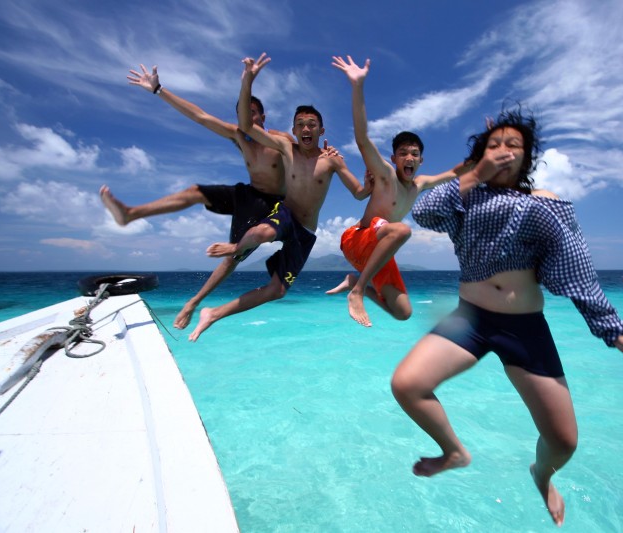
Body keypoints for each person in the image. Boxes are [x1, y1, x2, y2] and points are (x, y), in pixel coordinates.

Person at [389, 108, 623, 526]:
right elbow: (424, 212)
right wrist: (471, 176)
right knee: (407, 384)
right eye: (494, 144)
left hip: (523, 328)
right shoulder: (464, 196)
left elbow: (577, 269)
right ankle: (454, 451)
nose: (502, 151)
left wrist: (614, 332)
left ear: (527, 158)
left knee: (563, 442)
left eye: (513, 145)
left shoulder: (545, 204)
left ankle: (542, 475)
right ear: (480, 155)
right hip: (470, 320)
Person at [100, 63, 293, 331]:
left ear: (262, 116)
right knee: (194, 192)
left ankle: (194, 302)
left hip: (270, 203)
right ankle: (130, 214)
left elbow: (306, 158)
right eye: (241, 115)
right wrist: (158, 90)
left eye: (252, 113)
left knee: (232, 257)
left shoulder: (280, 140)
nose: (246, 120)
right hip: (246, 193)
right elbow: (200, 116)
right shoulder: (238, 136)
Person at [192, 53, 372, 341]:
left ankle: (213, 313)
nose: (305, 129)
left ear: (321, 130)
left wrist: (367, 183)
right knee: (263, 230)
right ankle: (237, 247)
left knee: (277, 291)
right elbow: (247, 127)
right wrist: (247, 80)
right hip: (285, 213)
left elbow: (359, 194)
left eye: (311, 124)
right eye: (300, 124)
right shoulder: (286, 148)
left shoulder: (332, 161)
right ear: (293, 131)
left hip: (306, 231)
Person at [327, 55, 469, 327]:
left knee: (403, 312)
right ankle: (357, 293)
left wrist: (486, 150)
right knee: (402, 230)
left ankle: (356, 283)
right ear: (393, 159)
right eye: (403, 153)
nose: (409, 158)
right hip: (356, 240)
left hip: (378, 249)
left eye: (414, 154)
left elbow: (455, 172)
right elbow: (362, 137)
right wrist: (357, 86)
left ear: (421, 160)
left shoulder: (420, 184)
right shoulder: (384, 174)